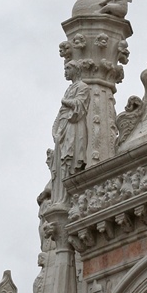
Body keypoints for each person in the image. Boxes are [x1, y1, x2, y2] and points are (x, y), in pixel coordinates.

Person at [50, 63, 90, 202]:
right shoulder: (70, 88)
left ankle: (69, 196)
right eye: (64, 69)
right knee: (62, 161)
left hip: (74, 125)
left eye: (68, 69)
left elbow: (80, 105)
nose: (65, 72)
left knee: (70, 156)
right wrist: (55, 131)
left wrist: (65, 101)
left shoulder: (83, 86)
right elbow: (61, 112)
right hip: (63, 127)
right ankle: (61, 196)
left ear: (76, 70)